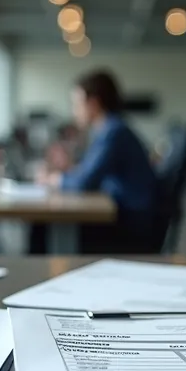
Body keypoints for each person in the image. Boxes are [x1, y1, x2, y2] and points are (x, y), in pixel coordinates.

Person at [38, 70, 159, 253]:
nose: (74, 111)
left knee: (45, 228)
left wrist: (53, 179)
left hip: (130, 221)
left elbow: (85, 182)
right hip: (128, 213)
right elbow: (89, 171)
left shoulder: (113, 132)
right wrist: (68, 169)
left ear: (93, 103)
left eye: (76, 104)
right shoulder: (109, 129)